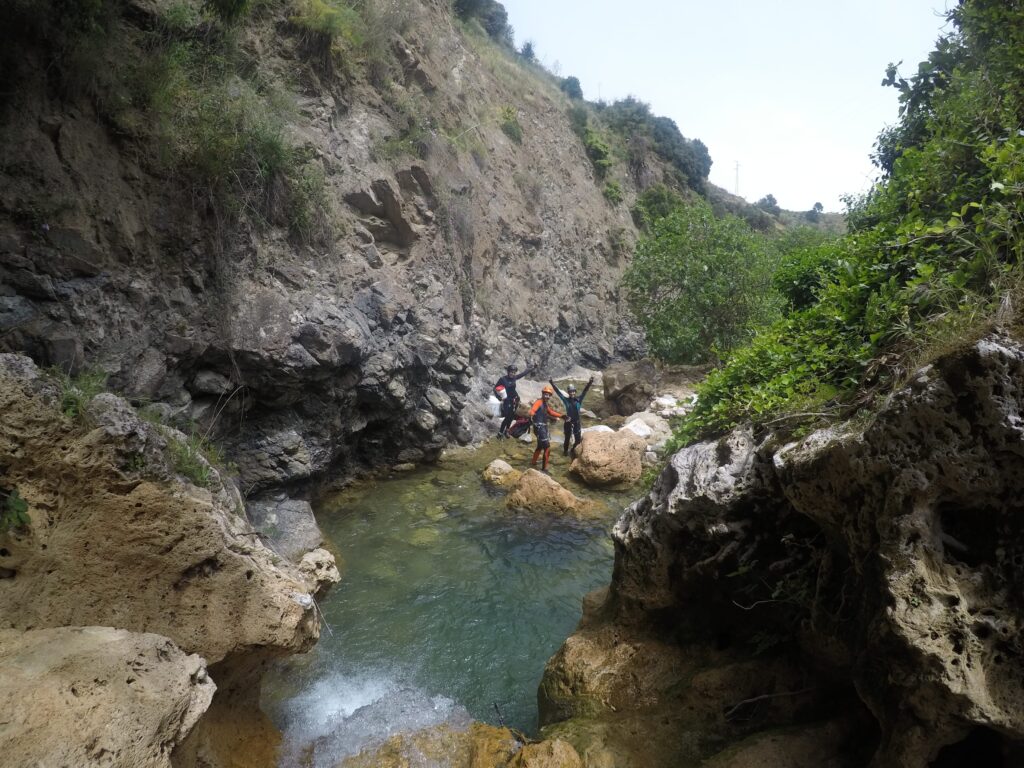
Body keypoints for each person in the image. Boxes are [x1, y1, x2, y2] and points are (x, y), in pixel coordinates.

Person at [550, 376, 594, 458]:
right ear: (568, 392)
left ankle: (573, 450)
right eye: (570, 392)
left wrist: (590, 382)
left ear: (575, 392)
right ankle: (565, 453)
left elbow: (585, 391)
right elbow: (558, 392)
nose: (572, 393)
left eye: (573, 391)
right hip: (568, 422)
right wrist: (552, 383)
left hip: (577, 422)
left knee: (577, 440)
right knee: (567, 439)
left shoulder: (579, 399)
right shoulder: (566, 400)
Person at [528, 385, 565, 472]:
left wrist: (562, 416)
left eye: (548, 395)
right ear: (543, 394)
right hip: (540, 428)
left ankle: (533, 463)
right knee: (547, 448)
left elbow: (550, 412)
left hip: (541, 428)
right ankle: (544, 470)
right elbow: (533, 410)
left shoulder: (544, 404)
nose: (547, 396)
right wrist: (531, 414)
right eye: (545, 394)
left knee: (540, 446)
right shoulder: (539, 402)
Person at [494, 362, 533, 438]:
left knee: (511, 416)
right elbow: (495, 388)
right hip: (506, 400)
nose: (513, 374)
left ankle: (507, 431)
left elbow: (523, 373)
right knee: (508, 417)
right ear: (508, 372)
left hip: (514, 400)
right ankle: (500, 433)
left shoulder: (514, 378)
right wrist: (498, 397)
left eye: (514, 372)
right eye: (511, 372)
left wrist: (532, 368)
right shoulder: (503, 379)